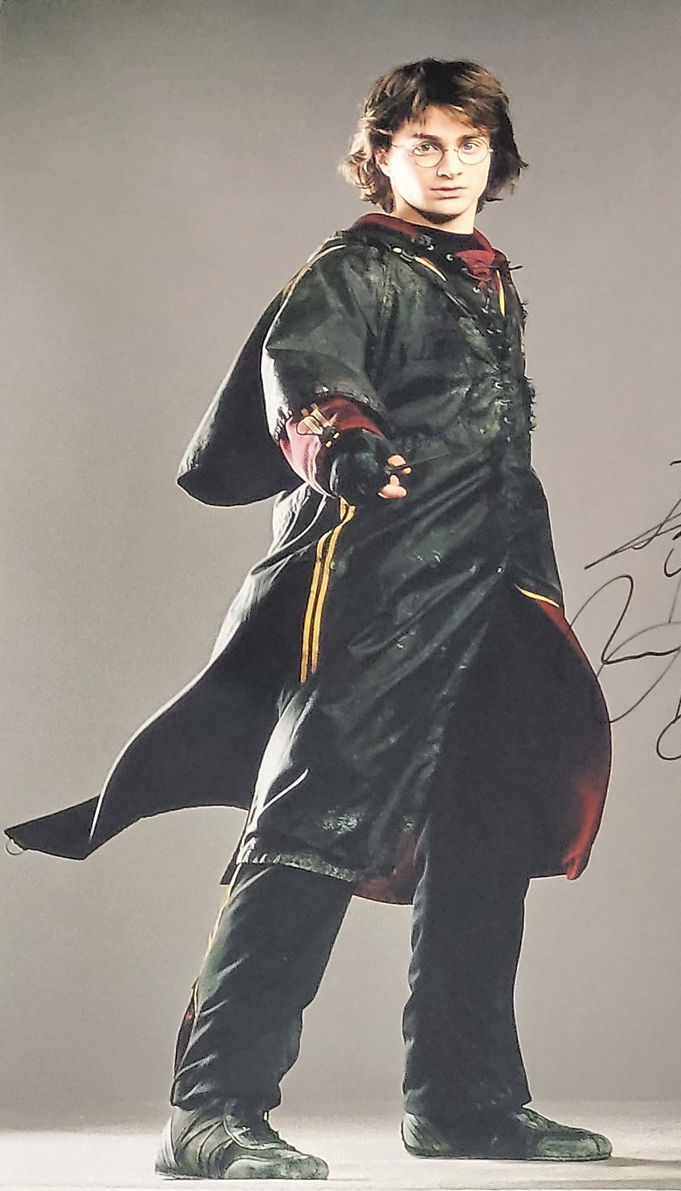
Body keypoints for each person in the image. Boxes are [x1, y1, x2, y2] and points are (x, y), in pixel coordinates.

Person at [6, 58, 612, 1179]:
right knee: (307, 832)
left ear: (494, 153)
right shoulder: (353, 269)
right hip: (378, 591)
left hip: (498, 594)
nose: (448, 163)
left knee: (481, 842)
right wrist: (346, 448)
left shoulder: (483, 277)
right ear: (380, 155)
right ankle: (211, 1112)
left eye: (468, 143)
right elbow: (307, 380)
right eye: (423, 143)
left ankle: (465, 1102)